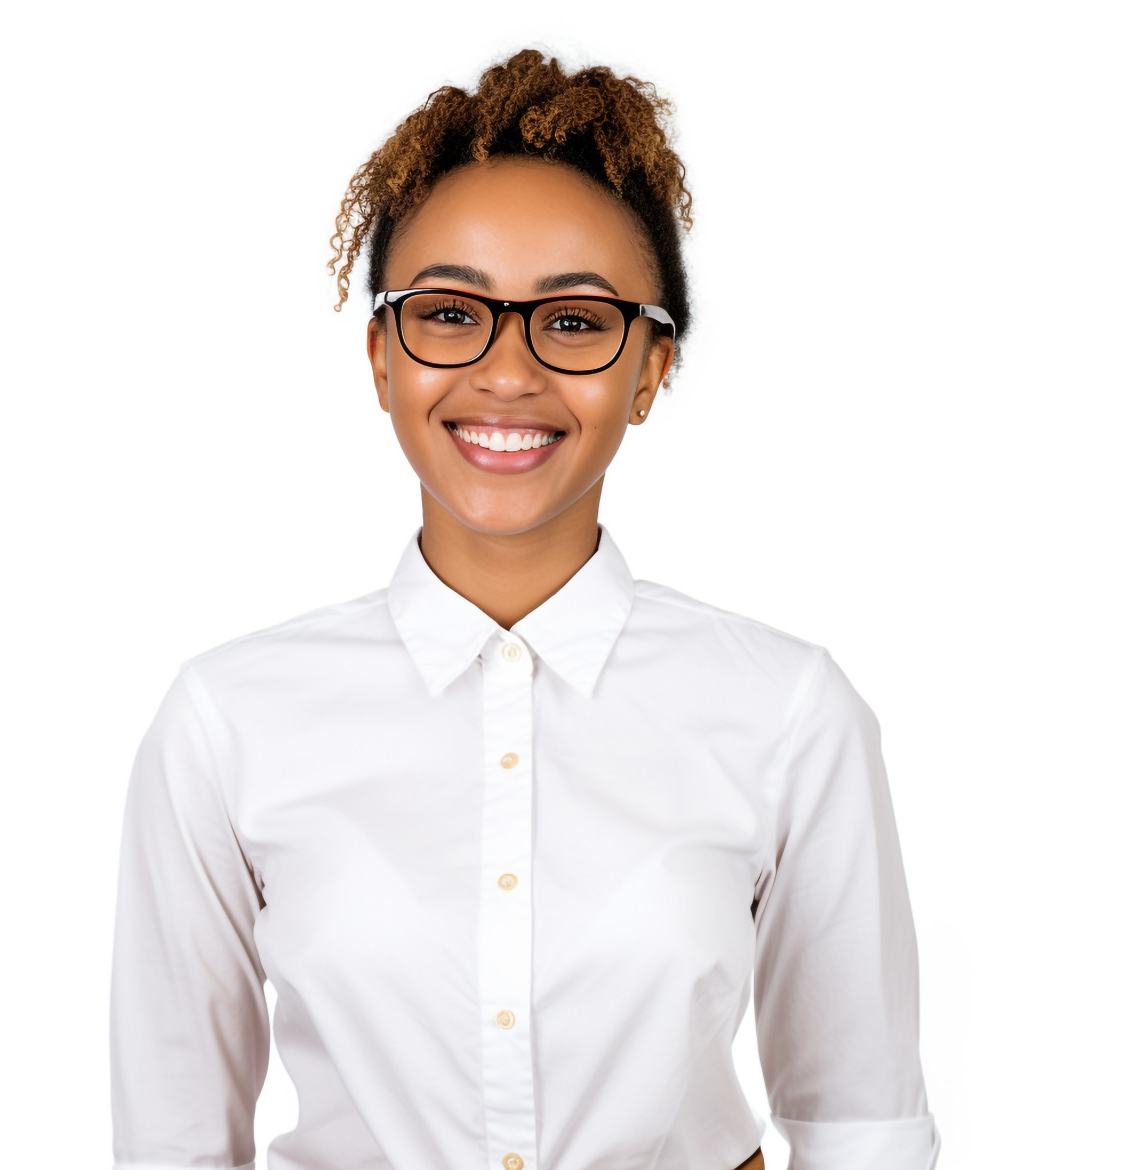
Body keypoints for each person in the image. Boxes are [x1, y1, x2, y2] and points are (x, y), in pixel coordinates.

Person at [109, 48, 941, 1170]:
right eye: (449, 313)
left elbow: (860, 1127)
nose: (506, 372)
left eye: (574, 322)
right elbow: (172, 1143)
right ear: (381, 358)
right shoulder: (228, 718)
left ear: (649, 368)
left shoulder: (788, 711)